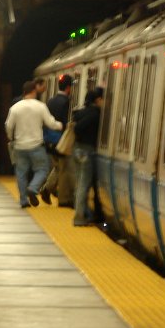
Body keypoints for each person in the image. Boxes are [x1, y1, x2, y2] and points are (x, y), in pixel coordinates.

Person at [5, 79, 62, 208]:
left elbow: (8, 126)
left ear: (24, 92)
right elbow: (51, 123)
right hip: (36, 145)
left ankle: (24, 200)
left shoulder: (15, 107)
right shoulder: (40, 106)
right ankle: (33, 188)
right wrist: (61, 125)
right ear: (33, 91)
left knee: (21, 172)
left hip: (19, 145)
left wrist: (11, 138)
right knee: (42, 169)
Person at [40, 73, 75, 207]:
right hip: (61, 141)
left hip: (49, 139)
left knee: (58, 167)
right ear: (68, 88)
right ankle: (63, 199)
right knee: (64, 169)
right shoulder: (66, 102)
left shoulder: (51, 101)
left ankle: (47, 190)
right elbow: (65, 122)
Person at [72, 86, 104, 226]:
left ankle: (84, 213)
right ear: (97, 100)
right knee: (84, 185)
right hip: (87, 151)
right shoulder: (95, 114)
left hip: (77, 150)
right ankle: (79, 217)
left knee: (80, 183)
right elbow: (78, 128)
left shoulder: (80, 113)